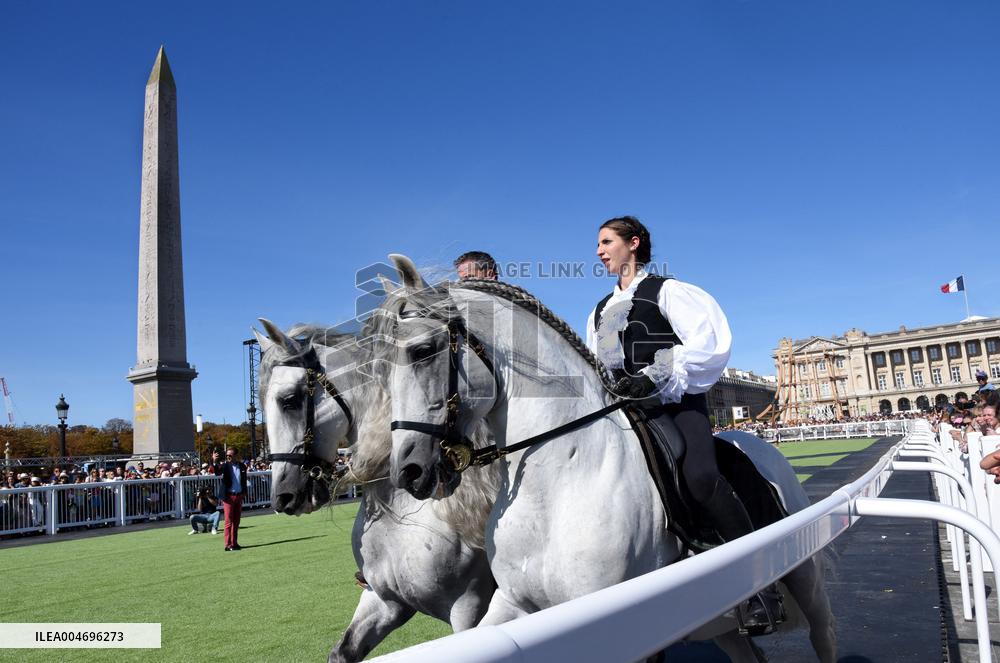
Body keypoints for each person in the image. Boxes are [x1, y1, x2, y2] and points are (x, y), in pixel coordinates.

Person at [585, 215, 782, 634]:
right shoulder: (599, 310)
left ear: (633, 243)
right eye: (598, 245)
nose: (599, 251)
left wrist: (653, 375)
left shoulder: (669, 291)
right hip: (624, 412)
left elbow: (707, 344)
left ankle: (760, 587)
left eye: (606, 242)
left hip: (675, 404)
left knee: (700, 476)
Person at [212, 447, 247, 551]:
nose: (228, 457)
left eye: (230, 455)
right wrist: (214, 461)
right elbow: (217, 472)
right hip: (228, 496)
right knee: (228, 521)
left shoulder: (242, 466)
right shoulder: (225, 466)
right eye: (227, 455)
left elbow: (244, 480)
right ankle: (227, 544)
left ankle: (234, 543)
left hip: (239, 495)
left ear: (236, 455)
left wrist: (244, 493)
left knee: (236, 521)